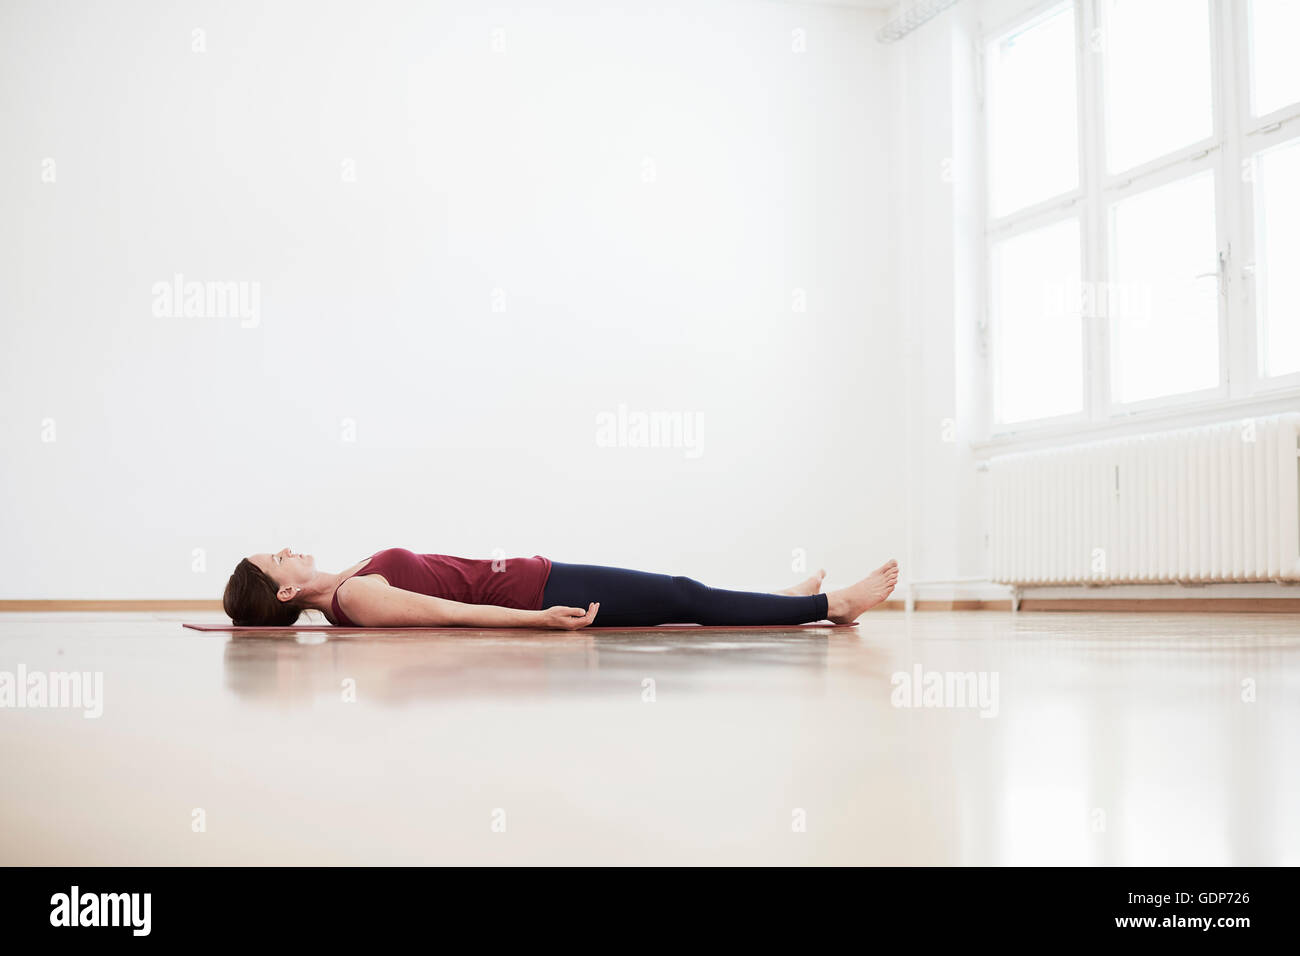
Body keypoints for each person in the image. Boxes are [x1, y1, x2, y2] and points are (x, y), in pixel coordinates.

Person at [222, 547, 899, 629]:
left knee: (675, 593)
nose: (285, 549)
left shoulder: (343, 587)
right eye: (275, 560)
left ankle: (781, 600)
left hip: (536, 576)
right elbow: (447, 612)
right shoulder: (353, 599)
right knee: (682, 596)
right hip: (542, 591)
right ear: (283, 594)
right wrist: (540, 620)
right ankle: (828, 606)